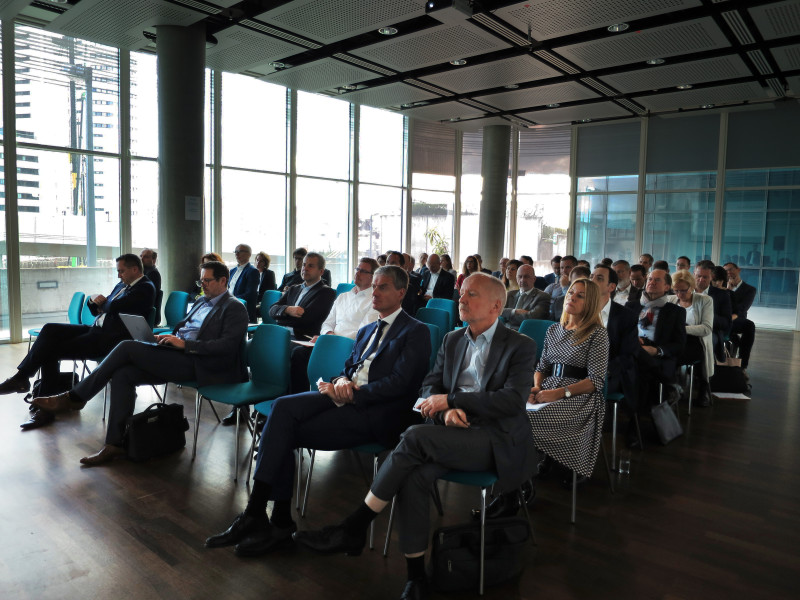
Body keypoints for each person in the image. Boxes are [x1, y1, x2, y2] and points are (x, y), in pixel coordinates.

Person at [292, 273, 537, 600]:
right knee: (415, 476)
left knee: (413, 438)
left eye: (471, 295)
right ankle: (416, 576)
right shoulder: (452, 340)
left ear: (496, 306)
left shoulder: (520, 345)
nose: (461, 299)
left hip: (493, 439)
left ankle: (354, 526)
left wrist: (451, 400)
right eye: (461, 293)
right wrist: (445, 410)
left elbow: (512, 400)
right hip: (448, 432)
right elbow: (427, 389)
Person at [205, 266, 430, 562]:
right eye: (373, 286)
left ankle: (272, 520)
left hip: (376, 411)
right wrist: (338, 382)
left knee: (282, 432)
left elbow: (404, 384)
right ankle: (260, 514)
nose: (374, 292)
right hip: (343, 396)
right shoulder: (366, 330)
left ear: (401, 293)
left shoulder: (415, 331)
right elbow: (347, 370)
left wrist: (355, 392)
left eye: (383, 287)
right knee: (282, 408)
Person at [30, 261, 248, 464]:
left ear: (223, 281)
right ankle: (114, 443)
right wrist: (163, 338)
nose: (203, 285)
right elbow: (183, 330)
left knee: (126, 346)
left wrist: (185, 345)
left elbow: (226, 347)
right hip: (176, 354)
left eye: (207, 281)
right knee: (123, 374)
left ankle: (75, 397)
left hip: (200, 364)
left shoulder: (234, 307)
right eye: (201, 281)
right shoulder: (201, 302)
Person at [1, 254, 156, 430]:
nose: (119, 275)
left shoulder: (145, 288)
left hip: (107, 340)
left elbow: (112, 306)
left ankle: (44, 409)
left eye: (121, 271)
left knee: (50, 350)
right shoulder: (122, 285)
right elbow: (100, 307)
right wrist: (93, 301)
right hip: (95, 329)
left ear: (134, 269)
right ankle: (23, 377)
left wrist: (103, 303)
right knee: (50, 329)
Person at [527, 278, 609, 486]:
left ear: (589, 302)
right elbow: (541, 368)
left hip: (578, 395)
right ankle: (523, 469)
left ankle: (534, 467)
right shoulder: (554, 330)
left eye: (580, 295)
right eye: (571, 292)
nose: (572, 297)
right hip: (548, 388)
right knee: (512, 411)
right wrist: (536, 387)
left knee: (527, 421)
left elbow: (595, 380)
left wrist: (559, 393)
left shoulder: (597, 334)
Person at [289, 258, 380, 394]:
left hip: (351, 348)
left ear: (372, 277)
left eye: (363, 271)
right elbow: (327, 323)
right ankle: (297, 398)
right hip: (330, 342)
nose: (357, 273)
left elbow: (364, 332)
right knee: (298, 354)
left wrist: (333, 340)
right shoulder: (343, 296)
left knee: (303, 356)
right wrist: (328, 336)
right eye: (357, 269)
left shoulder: (374, 300)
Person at [626, 269, 686, 405]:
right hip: (633, 349)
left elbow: (679, 344)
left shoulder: (675, 312)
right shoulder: (631, 306)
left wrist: (657, 350)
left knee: (638, 370)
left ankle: (637, 412)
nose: (652, 282)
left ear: (667, 287)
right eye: (650, 279)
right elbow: (624, 332)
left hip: (656, 353)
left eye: (657, 280)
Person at [591, 264, 639, 412]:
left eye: (599, 278)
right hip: (580, 369)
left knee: (581, 390)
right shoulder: (578, 311)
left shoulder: (625, 316)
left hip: (610, 372)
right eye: (591, 277)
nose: (592, 281)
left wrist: (603, 371)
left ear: (611, 287)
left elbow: (627, 355)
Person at [667, 270, 714, 407]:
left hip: (696, 342)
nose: (679, 294)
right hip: (676, 340)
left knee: (672, 357)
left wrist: (681, 329)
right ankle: (669, 388)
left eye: (683, 291)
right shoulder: (671, 300)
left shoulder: (705, 300)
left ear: (692, 287)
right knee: (662, 355)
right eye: (676, 290)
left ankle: (676, 388)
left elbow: (706, 328)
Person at [269, 252, 336, 341]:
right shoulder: (293, 288)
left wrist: (279, 317)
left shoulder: (326, 292)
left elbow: (305, 320)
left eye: (310, 266)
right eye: (304, 265)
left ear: (321, 271)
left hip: (300, 339)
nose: (305, 268)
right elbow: (271, 310)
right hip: (279, 335)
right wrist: (287, 310)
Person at [695, 260, 732, 362]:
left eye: (705, 277)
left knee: (703, 343)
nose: (701, 279)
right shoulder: (684, 291)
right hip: (686, 328)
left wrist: (706, 316)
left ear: (711, 277)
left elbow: (726, 323)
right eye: (698, 276)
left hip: (710, 332)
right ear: (694, 274)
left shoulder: (721, 295)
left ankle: (702, 375)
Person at [723, 262, 757, 372]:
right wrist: (727, 290)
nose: (729, 272)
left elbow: (743, 308)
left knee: (749, 326)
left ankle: (743, 364)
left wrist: (730, 292)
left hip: (737, 320)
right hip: (722, 319)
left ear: (738, 270)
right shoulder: (722, 287)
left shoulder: (749, 289)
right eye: (726, 271)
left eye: (731, 269)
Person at [501, 264, 551, 329]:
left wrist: (508, 314)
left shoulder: (543, 296)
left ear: (534, 279)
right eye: (520, 276)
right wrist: (514, 311)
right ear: (516, 278)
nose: (522, 280)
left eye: (526, 277)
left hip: (526, 333)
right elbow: (498, 311)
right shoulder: (509, 294)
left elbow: (531, 318)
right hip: (505, 330)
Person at [229, 244, 260, 322]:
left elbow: (250, 294)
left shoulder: (253, 271)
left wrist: (231, 300)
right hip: (229, 306)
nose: (237, 254)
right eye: (235, 252)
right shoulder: (232, 271)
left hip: (243, 309)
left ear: (249, 254)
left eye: (240, 251)